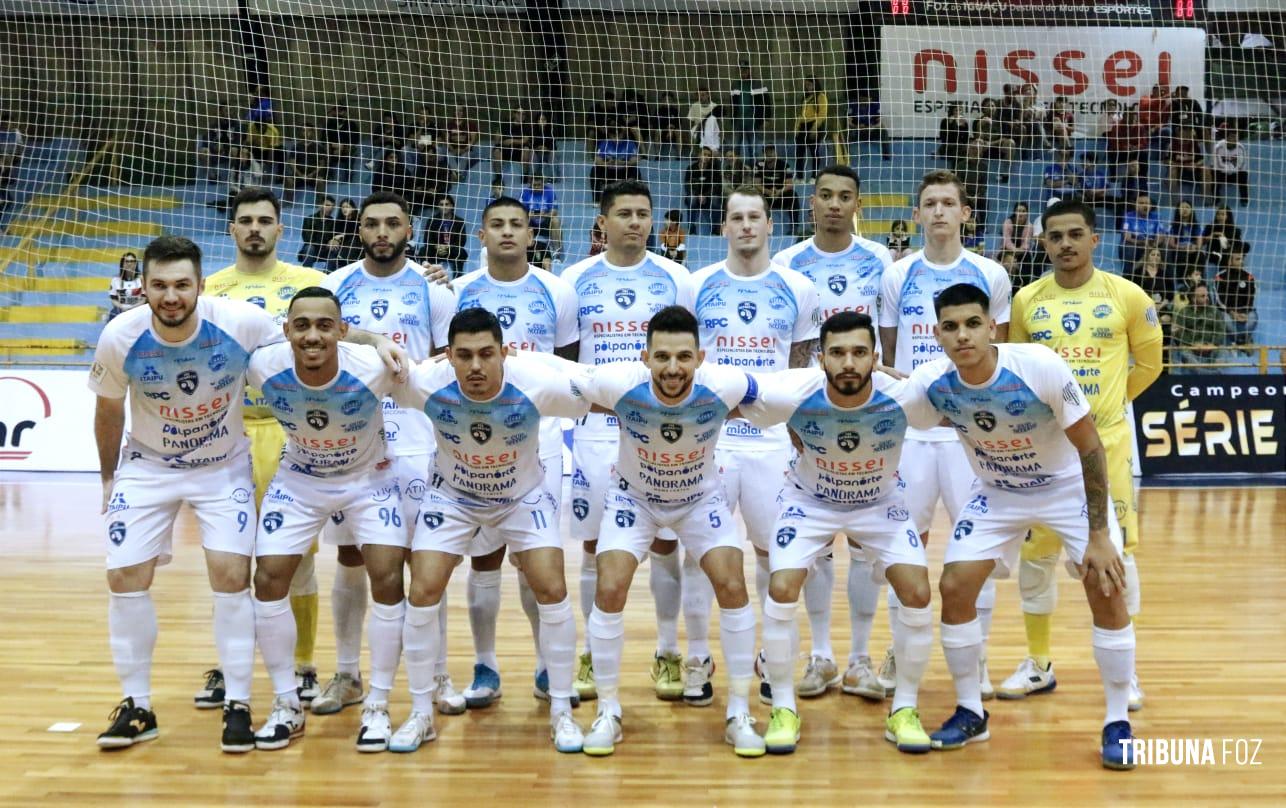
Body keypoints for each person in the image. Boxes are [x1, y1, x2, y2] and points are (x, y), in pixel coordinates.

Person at [88, 236, 403, 752]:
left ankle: (238, 701)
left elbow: (313, 328)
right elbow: (107, 409)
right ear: (142, 288)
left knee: (233, 576)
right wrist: (108, 477)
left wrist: (374, 341)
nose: (172, 296)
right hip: (148, 465)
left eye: (182, 285)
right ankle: (137, 705)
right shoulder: (120, 336)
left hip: (220, 466)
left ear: (200, 286)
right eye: (160, 285)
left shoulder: (237, 320)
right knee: (124, 577)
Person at [910, 282, 1138, 771]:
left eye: (972, 324)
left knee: (1106, 585)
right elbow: (887, 407)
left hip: (1064, 489)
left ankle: (1118, 719)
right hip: (996, 492)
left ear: (991, 326)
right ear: (937, 334)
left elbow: (1091, 447)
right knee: (954, 586)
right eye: (950, 327)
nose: (962, 335)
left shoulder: (1039, 365)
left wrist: (1099, 534)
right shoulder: (931, 382)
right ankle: (972, 709)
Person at [395, 308, 591, 753]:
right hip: (452, 498)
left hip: (522, 497)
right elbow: (361, 366)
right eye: (464, 355)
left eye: (487, 353)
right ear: (447, 356)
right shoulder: (424, 381)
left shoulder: (538, 383)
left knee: (552, 587)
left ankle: (560, 710)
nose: (476, 366)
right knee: (422, 590)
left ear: (506, 352)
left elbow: (602, 389)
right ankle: (421, 713)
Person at [744, 311, 939, 754]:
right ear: (821, 358)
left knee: (918, 592)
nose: (848, 362)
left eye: (858, 353)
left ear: (875, 357)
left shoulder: (904, 395)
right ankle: (784, 709)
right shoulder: (794, 391)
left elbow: (949, 401)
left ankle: (904, 709)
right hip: (809, 502)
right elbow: (733, 398)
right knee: (781, 586)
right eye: (837, 353)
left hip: (880, 502)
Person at [576, 305, 763, 758]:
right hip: (633, 498)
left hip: (700, 497)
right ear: (645, 357)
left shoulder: (727, 384)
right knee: (611, 584)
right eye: (662, 357)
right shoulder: (618, 383)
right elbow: (554, 374)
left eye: (683, 357)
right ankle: (608, 710)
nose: (673, 368)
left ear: (700, 357)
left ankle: (739, 711)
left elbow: (780, 394)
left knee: (733, 583)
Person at [1004, 199, 1162, 714]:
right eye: (1055, 236)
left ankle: (1128, 671)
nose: (1066, 244)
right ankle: (1038, 663)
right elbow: (1018, 371)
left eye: (1076, 234)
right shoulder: (1028, 301)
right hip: (1043, 450)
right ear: (1043, 243)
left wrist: (1105, 411)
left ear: (1095, 239)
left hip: (1107, 448)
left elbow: (1150, 363)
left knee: (1117, 559)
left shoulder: (1128, 296)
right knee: (1036, 558)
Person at [245, 287, 414, 752]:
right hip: (300, 478)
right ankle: (285, 703)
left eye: (325, 326)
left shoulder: (374, 367)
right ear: (287, 332)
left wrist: (377, 339)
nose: (313, 335)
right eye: (302, 326)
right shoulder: (263, 367)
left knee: (386, 577)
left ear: (342, 331)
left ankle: (377, 704)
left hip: (369, 479)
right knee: (268, 579)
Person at [316, 192, 460, 718]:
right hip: (352, 435)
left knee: (429, 560)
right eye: (372, 223)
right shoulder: (335, 285)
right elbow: (320, 338)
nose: (382, 231)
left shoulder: (435, 290)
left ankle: (438, 674)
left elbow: (448, 365)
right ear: (359, 231)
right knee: (351, 556)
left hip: (420, 439)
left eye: (393, 223)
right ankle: (348, 673)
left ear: (410, 229)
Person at [879, 170, 1011, 701]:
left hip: (970, 434)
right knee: (900, 545)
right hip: (912, 433)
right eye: (929, 203)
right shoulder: (897, 275)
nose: (938, 212)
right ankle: (900, 649)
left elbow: (998, 353)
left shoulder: (991, 274)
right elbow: (889, 357)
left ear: (964, 213)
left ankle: (976, 656)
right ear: (916, 215)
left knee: (974, 547)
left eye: (948, 203)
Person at [560, 180, 694, 704]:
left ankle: (666, 651)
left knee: (664, 542)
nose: (635, 222)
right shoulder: (575, 280)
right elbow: (568, 360)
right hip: (596, 430)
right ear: (603, 222)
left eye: (643, 213)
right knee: (595, 547)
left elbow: (686, 354)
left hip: (661, 429)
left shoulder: (676, 278)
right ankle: (593, 653)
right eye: (624, 213)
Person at [689, 186, 820, 707]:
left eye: (755, 217)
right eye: (736, 218)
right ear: (723, 227)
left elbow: (801, 364)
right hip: (712, 442)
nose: (746, 226)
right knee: (702, 552)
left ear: (770, 226)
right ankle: (697, 655)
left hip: (771, 445)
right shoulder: (696, 285)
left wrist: (795, 436)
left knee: (773, 553)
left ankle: (770, 654)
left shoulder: (798, 287)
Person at [201, 187, 330, 710]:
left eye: (265, 220)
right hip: (227, 434)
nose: (255, 228)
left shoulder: (310, 283)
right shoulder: (207, 290)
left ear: (281, 228)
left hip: (291, 434)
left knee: (294, 559)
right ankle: (230, 666)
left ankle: (302, 664)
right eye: (245, 220)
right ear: (232, 230)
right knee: (228, 561)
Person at [452, 197, 580, 709]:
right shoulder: (457, 292)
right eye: (497, 225)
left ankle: (548, 666)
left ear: (532, 234)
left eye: (517, 225)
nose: (507, 232)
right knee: (483, 561)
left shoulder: (558, 291)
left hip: (541, 442)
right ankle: (485, 666)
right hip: (474, 443)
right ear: (481, 234)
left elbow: (567, 368)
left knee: (535, 564)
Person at [773, 165, 895, 699]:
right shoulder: (787, 262)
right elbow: (796, 350)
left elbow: (884, 342)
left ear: (857, 204)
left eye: (846, 196)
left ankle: (861, 659)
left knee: (868, 545)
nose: (834, 204)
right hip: (813, 410)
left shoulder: (880, 260)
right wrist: (797, 418)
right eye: (825, 195)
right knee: (817, 542)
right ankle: (820, 656)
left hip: (866, 409)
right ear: (812, 200)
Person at [1171, 282, 1228, 372]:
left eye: (1207, 295)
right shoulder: (1184, 312)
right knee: (1184, 352)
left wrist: (1212, 344)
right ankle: (1209, 375)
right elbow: (1179, 333)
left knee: (1223, 352)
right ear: (1194, 298)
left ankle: (1209, 374)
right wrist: (1193, 344)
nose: (1207, 298)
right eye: (1203, 296)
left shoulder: (1214, 311)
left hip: (1211, 347)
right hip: (1191, 348)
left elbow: (1221, 331)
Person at [1129, 247, 1176, 345]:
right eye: (1153, 254)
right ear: (1147, 256)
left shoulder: (1165, 274)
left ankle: (1164, 353)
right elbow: (1132, 293)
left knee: (1166, 319)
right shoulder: (1138, 273)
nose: (1156, 257)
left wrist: (1161, 305)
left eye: (1158, 255)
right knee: (1148, 320)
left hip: (1161, 306)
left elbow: (1170, 294)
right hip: (1142, 307)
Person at [1213, 246, 1257, 349]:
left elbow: (1251, 297)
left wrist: (1244, 312)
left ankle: (1240, 341)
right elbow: (1219, 300)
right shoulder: (1220, 277)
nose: (1241, 261)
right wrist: (1232, 313)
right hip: (1227, 312)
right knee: (1225, 320)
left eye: (1242, 259)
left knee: (1253, 318)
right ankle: (1240, 342)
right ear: (1229, 261)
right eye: (1238, 259)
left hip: (1244, 311)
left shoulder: (1249, 277)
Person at [728, 60, 771, 160]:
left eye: (745, 69)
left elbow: (767, 102)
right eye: (741, 70)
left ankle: (755, 171)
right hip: (738, 121)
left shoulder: (758, 84)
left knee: (754, 149)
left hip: (753, 122)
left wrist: (767, 119)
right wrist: (732, 119)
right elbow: (732, 103)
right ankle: (735, 171)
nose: (743, 72)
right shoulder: (735, 84)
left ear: (749, 70)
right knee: (735, 149)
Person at [422, 194, 469, 277]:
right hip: (435, 249)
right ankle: (427, 274)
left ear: (452, 206)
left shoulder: (459, 221)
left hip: (452, 250)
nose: (444, 207)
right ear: (438, 206)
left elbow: (461, 241)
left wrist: (447, 248)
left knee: (461, 252)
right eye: (441, 204)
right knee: (423, 251)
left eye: (447, 204)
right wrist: (437, 246)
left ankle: (457, 277)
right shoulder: (432, 220)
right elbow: (427, 239)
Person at [754, 144, 798, 234]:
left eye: (771, 151)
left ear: (775, 153)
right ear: (764, 154)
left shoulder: (784, 165)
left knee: (793, 195)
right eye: (767, 152)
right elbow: (756, 184)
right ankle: (759, 228)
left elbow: (790, 185)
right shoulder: (759, 164)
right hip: (766, 195)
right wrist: (768, 192)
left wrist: (779, 191)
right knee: (754, 196)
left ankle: (794, 226)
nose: (769, 154)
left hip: (780, 195)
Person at [1119, 194, 1165, 275]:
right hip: (1135, 244)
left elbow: (1161, 235)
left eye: (1147, 203)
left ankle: (1167, 278)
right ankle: (1127, 276)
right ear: (1135, 205)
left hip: (1152, 245)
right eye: (1141, 203)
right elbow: (1127, 237)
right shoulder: (1129, 216)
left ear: (1151, 205)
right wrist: (1143, 242)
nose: (1145, 205)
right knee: (1129, 247)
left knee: (1165, 248)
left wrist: (1154, 244)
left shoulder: (1157, 216)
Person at [793, 76, 828, 180]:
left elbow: (822, 114)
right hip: (803, 125)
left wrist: (814, 129)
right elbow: (801, 114)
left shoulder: (821, 96)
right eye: (806, 85)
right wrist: (797, 128)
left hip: (814, 125)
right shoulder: (805, 97)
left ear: (815, 84)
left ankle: (814, 176)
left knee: (814, 153)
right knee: (799, 153)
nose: (807, 87)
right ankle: (800, 177)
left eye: (809, 84)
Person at [684, 147, 721, 236]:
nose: (706, 157)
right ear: (699, 155)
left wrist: (705, 195)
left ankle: (716, 229)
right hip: (695, 196)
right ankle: (691, 228)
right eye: (704, 154)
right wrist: (698, 195)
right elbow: (688, 185)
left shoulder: (714, 169)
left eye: (709, 155)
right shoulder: (691, 168)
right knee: (691, 198)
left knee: (716, 199)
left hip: (708, 197)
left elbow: (716, 186)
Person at [492, 107, 534, 184]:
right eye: (519, 113)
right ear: (514, 114)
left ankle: (525, 176)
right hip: (506, 149)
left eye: (523, 114)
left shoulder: (527, 126)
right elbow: (497, 137)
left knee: (526, 150)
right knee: (497, 150)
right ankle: (498, 177)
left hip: (519, 151)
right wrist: (500, 141)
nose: (521, 115)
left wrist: (512, 140)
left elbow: (525, 140)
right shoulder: (505, 124)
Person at [847, 92, 892, 160]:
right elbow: (848, 122)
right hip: (858, 131)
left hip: (871, 130)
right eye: (863, 100)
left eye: (867, 99)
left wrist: (872, 127)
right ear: (859, 99)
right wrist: (856, 127)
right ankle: (846, 155)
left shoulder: (875, 106)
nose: (866, 101)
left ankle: (886, 156)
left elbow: (880, 122)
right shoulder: (853, 106)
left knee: (884, 132)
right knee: (848, 133)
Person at [1211, 127, 1249, 206]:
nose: (1234, 139)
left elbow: (1241, 165)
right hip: (1222, 172)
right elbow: (1217, 164)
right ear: (1226, 138)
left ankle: (1244, 201)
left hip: (1235, 172)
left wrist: (1231, 170)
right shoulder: (1218, 147)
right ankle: (1216, 200)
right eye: (1232, 137)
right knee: (1214, 173)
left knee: (1244, 174)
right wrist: (1228, 170)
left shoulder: (1241, 148)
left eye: (1235, 137)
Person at [1166, 199, 1203, 276]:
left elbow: (1199, 244)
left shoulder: (1196, 226)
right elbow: (1171, 244)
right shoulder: (1173, 226)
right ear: (1178, 210)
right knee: (1181, 256)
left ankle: (1198, 278)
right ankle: (1182, 281)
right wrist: (1183, 248)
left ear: (1191, 210)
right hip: (1178, 250)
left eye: (1187, 207)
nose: (1185, 209)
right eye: (1182, 207)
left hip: (1193, 250)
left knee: (1200, 255)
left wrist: (1194, 247)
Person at [298, 196, 337, 269]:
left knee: (335, 248)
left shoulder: (333, 222)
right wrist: (327, 242)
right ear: (320, 205)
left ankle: (327, 273)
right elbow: (308, 239)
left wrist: (334, 240)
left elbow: (335, 236)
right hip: (313, 250)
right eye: (327, 205)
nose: (330, 208)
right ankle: (306, 273)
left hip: (325, 251)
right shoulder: (309, 219)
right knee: (309, 247)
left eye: (332, 206)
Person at [1201, 204, 1244, 270]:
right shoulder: (1209, 227)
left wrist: (1223, 238)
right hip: (1213, 253)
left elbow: (1236, 246)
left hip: (1228, 253)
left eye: (1223, 214)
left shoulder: (1234, 230)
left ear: (1228, 216)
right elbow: (1202, 243)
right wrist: (1210, 236)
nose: (1220, 216)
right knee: (1224, 257)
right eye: (1218, 214)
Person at [107, 252, 144, 321]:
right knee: (113, 313)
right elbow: (113, 299)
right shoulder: (116, 280)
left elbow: (144, 299)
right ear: (122, 264)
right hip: (122, 308)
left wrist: (133, 308)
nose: (129, 264)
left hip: (139, 308)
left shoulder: (142, 279)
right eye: (126, 261)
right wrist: (122, 307)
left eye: (132, 261)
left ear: (136, 264)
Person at [328, 198, 362, 271]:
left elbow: (356, 235)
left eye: (347, 207)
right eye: (343, 207)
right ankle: (328, 273)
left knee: (352, 241)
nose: (344, 209)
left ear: (353, 208)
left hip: (356, 246)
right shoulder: (338, 221)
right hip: (342, 246)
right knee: (333, 248)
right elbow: (335, 235)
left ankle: (342, 263)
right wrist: (334, 240)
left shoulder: (359, 219)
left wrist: (341, 236)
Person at [937, 101, 970, 170]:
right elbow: (943, 138)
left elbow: (965, 140)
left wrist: (962, 127)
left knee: (961, 149)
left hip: (960, 148)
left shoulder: (964, 122)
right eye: (956, 110)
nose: (958, 112)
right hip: (947, 146)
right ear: (952, 111)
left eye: (960, 110)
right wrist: (950, 125)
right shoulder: (945, 121)